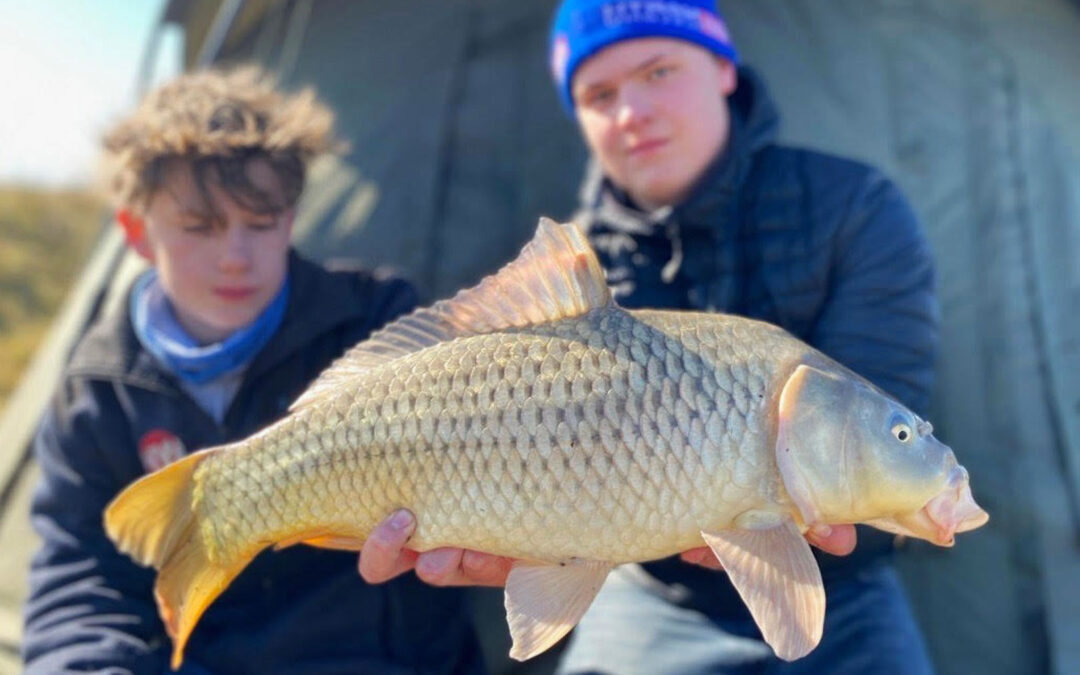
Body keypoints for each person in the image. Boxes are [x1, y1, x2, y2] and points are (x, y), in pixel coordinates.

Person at [362, 0, 939, 673]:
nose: (631, 111)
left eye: (658, 71)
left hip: (844, 595)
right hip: (650, 591)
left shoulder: (854, 208)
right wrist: (522, 536)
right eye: (599, 94)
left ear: (723, 68)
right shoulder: (574, 271)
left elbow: (876, 433)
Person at [22, 67, 484, 674]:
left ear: (291, 219)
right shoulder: (97, 391)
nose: (235, 257)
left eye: (261, 224)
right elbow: (80, 579)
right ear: (136, 232)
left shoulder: (377, 320)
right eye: (200, 227)